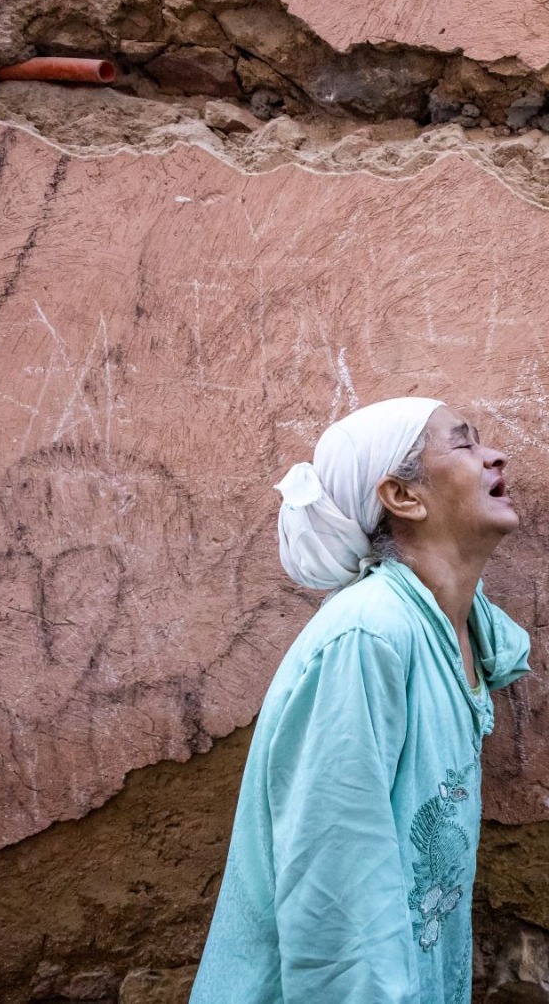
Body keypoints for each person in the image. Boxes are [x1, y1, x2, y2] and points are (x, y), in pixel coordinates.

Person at [190, 397, 531, 1004]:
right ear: (403, 497)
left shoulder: (454, 629)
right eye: (465, 444)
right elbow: (337, 893)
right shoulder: (368, 637)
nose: (494, 455)